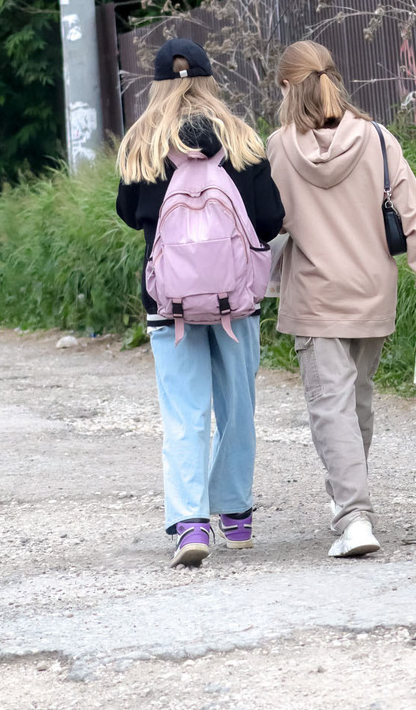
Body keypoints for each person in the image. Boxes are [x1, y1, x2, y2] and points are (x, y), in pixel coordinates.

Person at [266, 40, 416, 558]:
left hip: (315, 296)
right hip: (373, 292)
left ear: (286, 87)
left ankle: (354, 517)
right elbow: (412, 213)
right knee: (357, 402)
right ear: (334, 78)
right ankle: (349, 501)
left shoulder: (278, 148)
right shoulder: (379, 140)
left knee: (331, 407)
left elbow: (267, 223)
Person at [116, 39, 284, 567]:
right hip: (237, 302)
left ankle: (191, 525)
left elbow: (129, 212)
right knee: (238, 409)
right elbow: (270, 218)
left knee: (184, 413)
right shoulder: (241, 138)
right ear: (210, 79)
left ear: (158, 84)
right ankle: (234, 515)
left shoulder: (143, 143)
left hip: (169, 304)